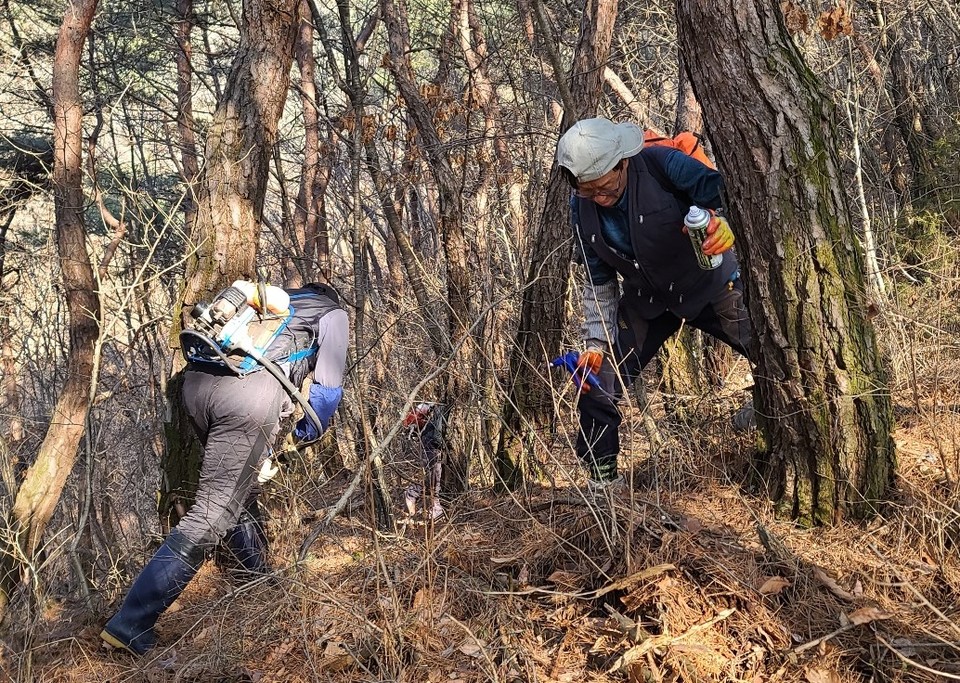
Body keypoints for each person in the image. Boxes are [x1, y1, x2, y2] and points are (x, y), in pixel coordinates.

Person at [100, 281, 349, 656]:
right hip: (247, 398)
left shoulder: (277, 303)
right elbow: (328, 390)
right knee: (212, 512)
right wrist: (306, 432)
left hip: (198, 387)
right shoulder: (333, 314)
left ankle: (257, 580)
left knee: (238, 492)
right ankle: (131, 623)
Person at [555, 117, 754, 493]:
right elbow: (598, 280)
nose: (599, 197)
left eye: (605, 186)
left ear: (623, 162)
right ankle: (603, 484)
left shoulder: (663, 164)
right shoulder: (580, 210)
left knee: (771, 346)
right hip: (647, 301)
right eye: (588, 190)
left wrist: (724, 223)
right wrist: (595, 343)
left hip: (708, 283)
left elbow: (729, 195)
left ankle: (775, 417)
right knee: (596, 383)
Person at [401, 402, 445, 521]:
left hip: (430, 447)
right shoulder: (433, 412)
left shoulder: (434, 416)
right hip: (430, 448)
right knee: (434, 478)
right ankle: (414, 495)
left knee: (434, 478)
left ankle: (414, 495)